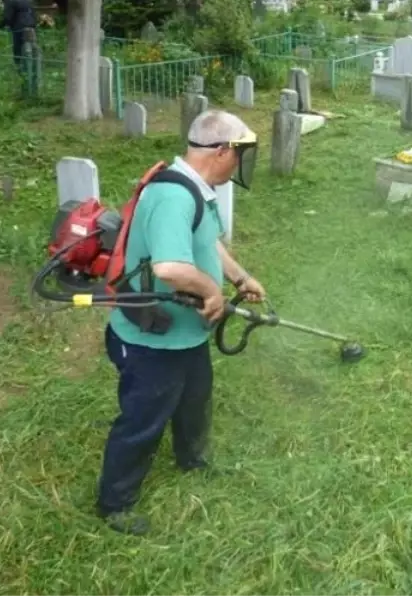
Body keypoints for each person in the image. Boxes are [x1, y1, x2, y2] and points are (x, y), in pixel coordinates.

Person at [96, 110, 265, 536]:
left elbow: (207, 243)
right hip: (152, 342)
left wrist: (239, 278)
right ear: (223, 150)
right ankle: (114, 503)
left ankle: (193, 459)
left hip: (185, 335)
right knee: (143, 419)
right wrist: (211, 293)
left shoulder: (196, 188)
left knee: (194, 399)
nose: (242, 162)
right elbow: (171, 267)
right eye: (240, 153)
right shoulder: (174, 196)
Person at [0, 0, 38, 72]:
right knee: (31, 48)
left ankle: (20, 70)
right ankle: (33, 69)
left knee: (18, 50)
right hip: (31, 27)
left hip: (19, 28)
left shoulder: (10, 0)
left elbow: (7, 18)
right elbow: (33, 13)